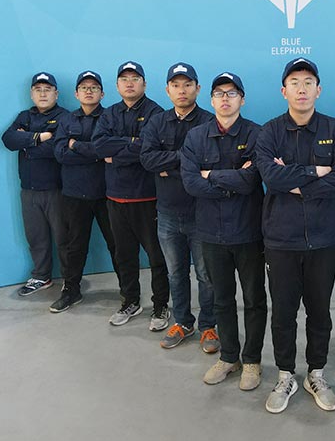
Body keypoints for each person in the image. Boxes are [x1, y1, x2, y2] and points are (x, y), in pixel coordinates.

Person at [255, 57, 335, 413]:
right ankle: (285, 375)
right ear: (284, 91)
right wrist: (317, 172)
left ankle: (316, 373)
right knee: (283, 313)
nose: (301, 88)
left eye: (308, 82)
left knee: (319, 311)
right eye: (294, 82)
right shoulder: (269, 132)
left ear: (318, 90)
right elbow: (271, 177)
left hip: (323, 239)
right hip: (281, 239)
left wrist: (295, 180)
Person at [180, 72, 267, 390]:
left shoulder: (257, 134)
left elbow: (253, 180)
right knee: (221, 298)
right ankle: (229, 357)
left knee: (254, 299)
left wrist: (211, 175)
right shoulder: (196, 137)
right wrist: (232, 179)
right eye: (219, 93)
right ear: (211, 99)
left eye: (232, 93)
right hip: (211, 233)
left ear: (242, 99)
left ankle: (252, 361)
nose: (225, 99)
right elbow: (191, 183)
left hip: (249, 232)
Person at [140, 62, 218, 353]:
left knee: (206, 275)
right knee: (175, 273)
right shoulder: (157, 122)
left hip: (202, 213)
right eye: (176, 85)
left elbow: (212, 162)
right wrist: (187, 161)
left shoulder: (210, 122)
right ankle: (183, 322)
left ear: (198, 88)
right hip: (168, 213)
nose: (182, 90)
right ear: (167, 90)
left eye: (187, 84)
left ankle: (209, 325)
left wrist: (169, 166)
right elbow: (148, 159)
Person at [92, 61, 170, 329]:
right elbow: (99, 146)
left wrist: (118, 154)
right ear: (117, 86)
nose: (129, 83)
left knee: (157, 257)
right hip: (115, 198)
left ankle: (160, 306)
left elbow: (148, 151)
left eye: (135, 78)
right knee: (124, 256)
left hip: (147, 198)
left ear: (144, 84)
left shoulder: (156, 113)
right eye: (124, 79)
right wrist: (131, 143)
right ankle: (130, 301)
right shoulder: (109, 113)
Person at [50, 71, 119, 313]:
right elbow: (60, 154)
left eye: (94, 87)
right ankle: (71, 290)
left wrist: (76, 146)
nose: (89, 91)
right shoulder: (67, 120)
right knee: (75, 246)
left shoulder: (111, 118)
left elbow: (110, 150)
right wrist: (95, 153)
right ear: (76, 93)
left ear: (103, 93)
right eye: (84, 87)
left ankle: (128, 292)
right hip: (74, 194)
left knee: (117, 244)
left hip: (107, 193)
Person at [2, 72, 67, 296]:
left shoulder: (65, 117)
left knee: (64, 238)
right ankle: (41, 276)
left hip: (57, 189)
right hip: (29, 190)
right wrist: (39, 137)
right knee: (36, 237)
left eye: (47, 90)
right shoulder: (24, 116)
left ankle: (70, 280)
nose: (43, 94)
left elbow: (57, 148)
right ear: (31, 94)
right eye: (38, 90)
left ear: (56, 94)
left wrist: (26, 143)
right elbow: (8, 139)